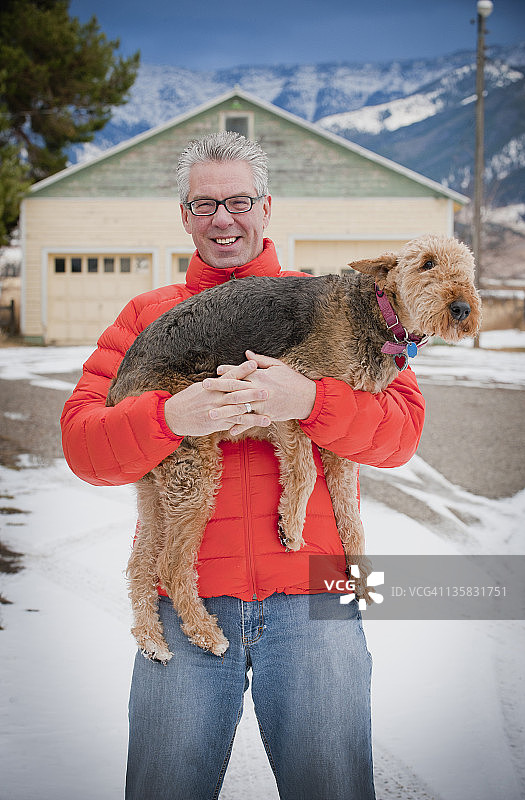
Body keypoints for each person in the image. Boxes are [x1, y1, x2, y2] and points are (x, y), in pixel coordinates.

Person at [61, 131, 425, 800]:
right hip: (188, 597)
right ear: (184, 215)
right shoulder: (148, 315)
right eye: (204, 204)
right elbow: (85, 447)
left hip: (320, 593)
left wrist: (308, 399)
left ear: (266, 206)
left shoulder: (335, 305)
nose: (222, 219)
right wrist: (172, 417)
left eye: (237, 201)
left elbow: (399, 435)